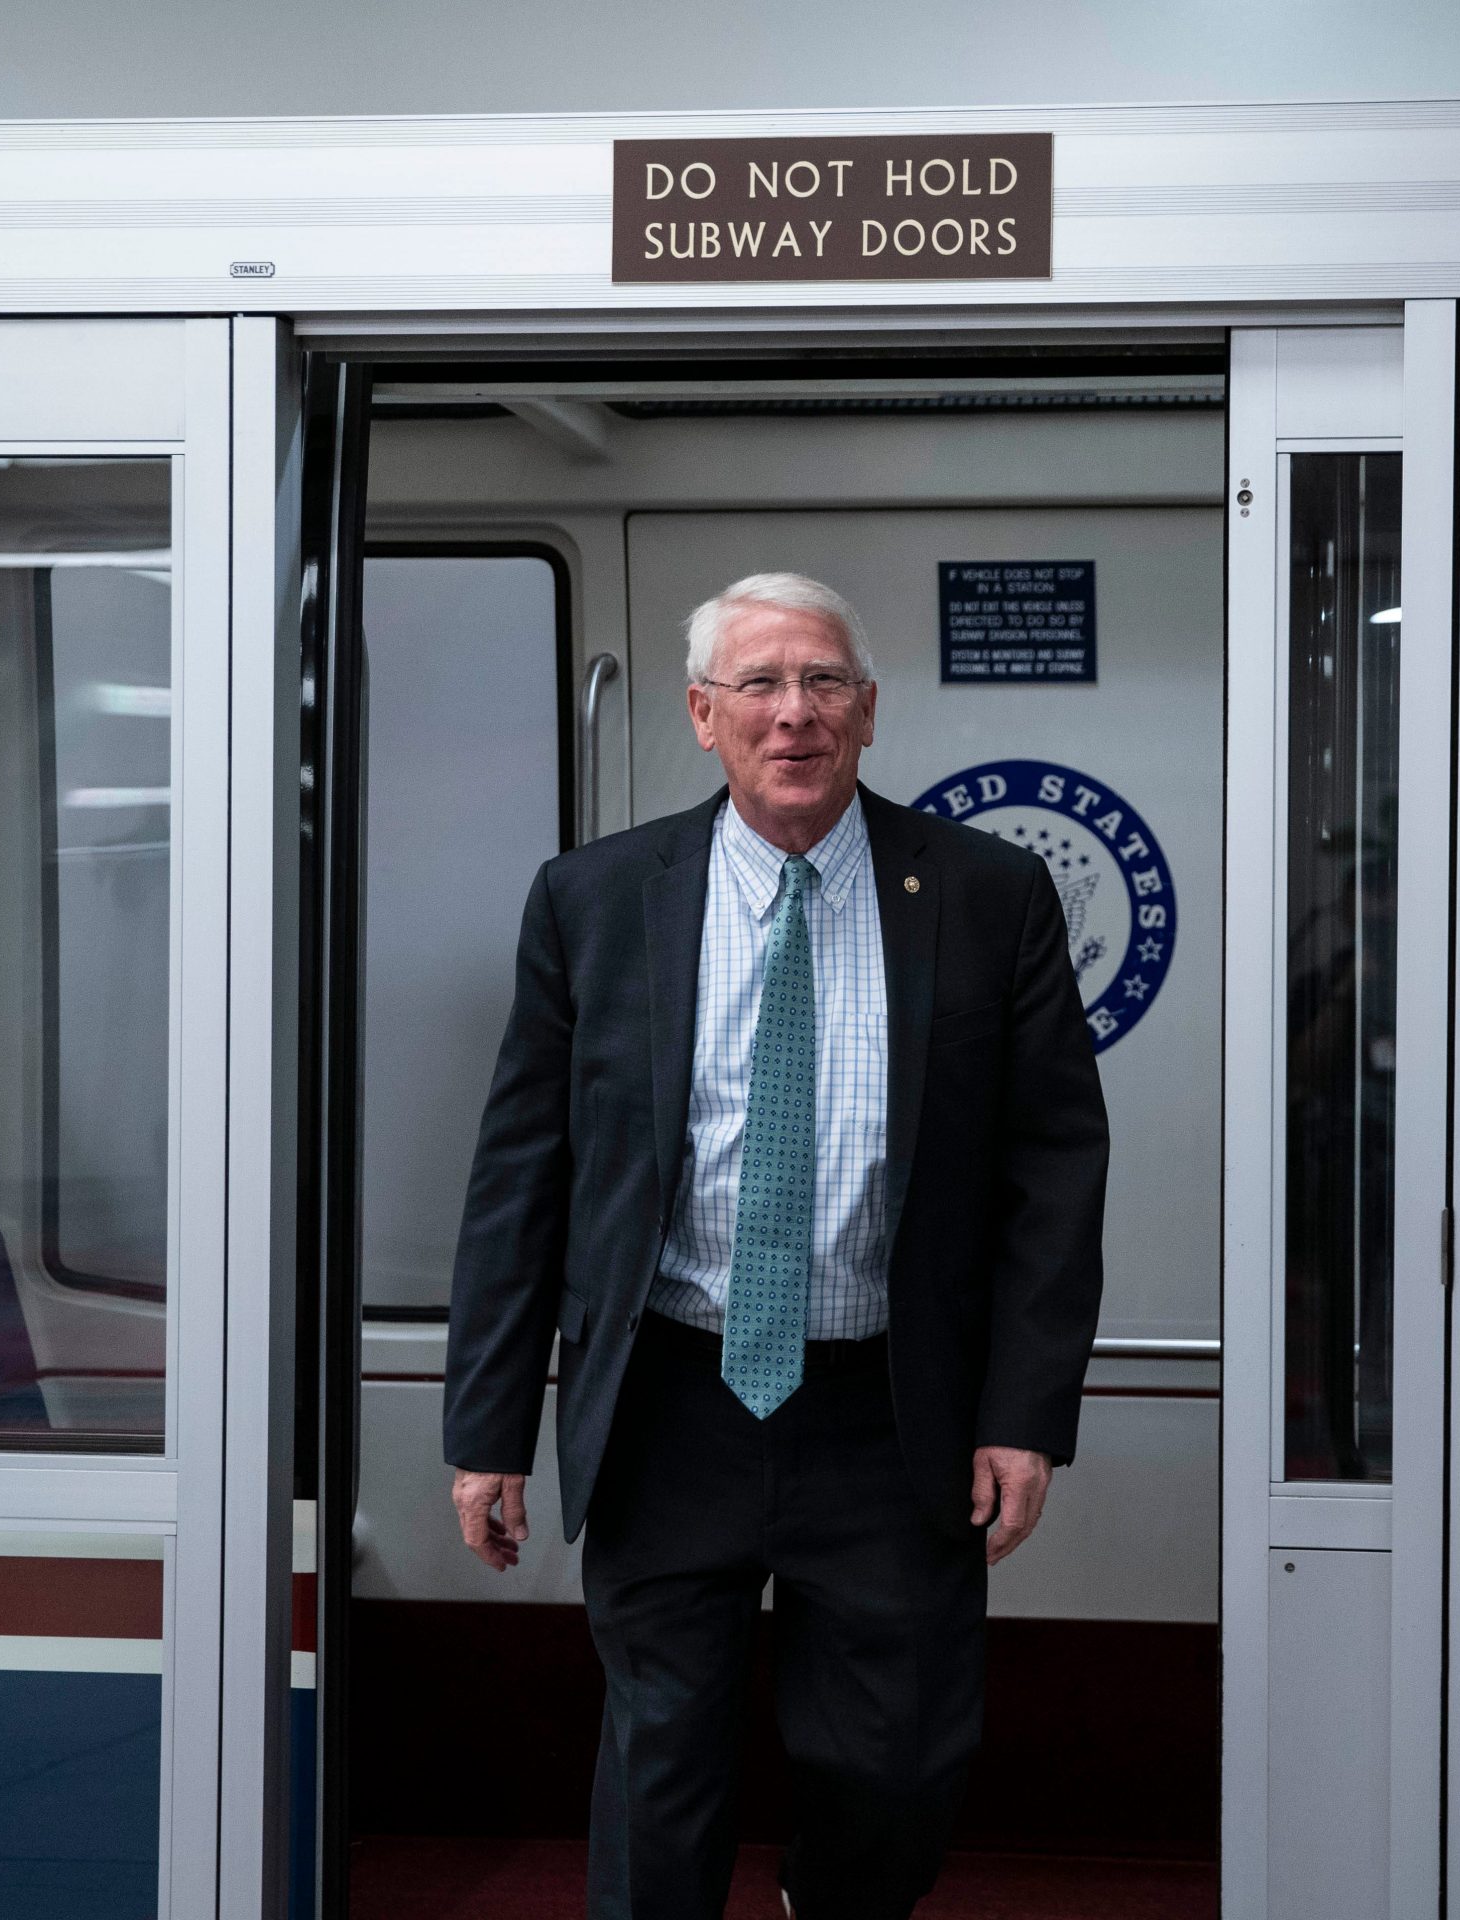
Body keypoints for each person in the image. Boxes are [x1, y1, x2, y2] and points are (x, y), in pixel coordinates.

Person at [443, 571, 1109, 1919]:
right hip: (670, 1399)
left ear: (869, 712)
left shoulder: (988, 896)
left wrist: (1025, 1413)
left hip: (889, 1407)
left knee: (899, 1758)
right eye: (758, 684)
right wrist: (487, 1426)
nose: (790, 713)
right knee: (663, 1751)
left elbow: (1054, 1172)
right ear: (701, 715)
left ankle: (828, 1892)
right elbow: (524, 1171)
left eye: (821, 684)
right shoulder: (595, 900)